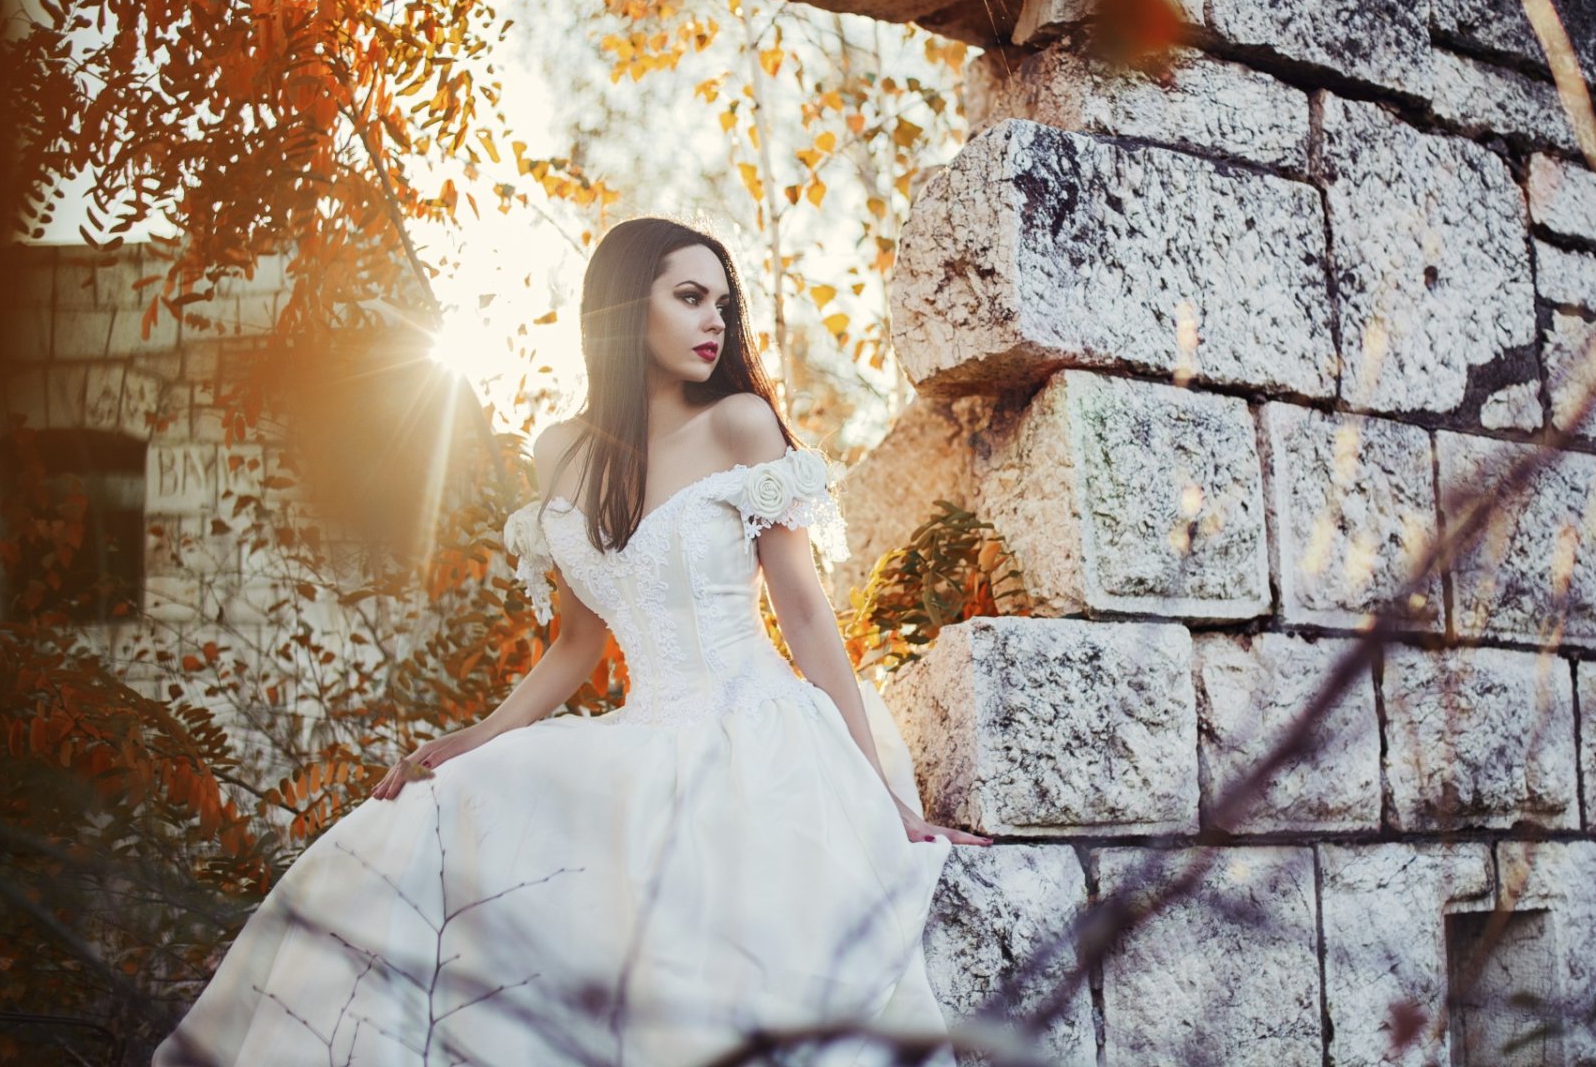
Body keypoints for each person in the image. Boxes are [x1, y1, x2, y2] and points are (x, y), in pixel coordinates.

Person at [155, 216, 989, 1066]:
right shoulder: (561, 453)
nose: (716, 324)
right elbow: (574, 643)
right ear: (628, 307)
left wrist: (882, 796)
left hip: (758, 735)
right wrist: (470, 741)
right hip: (640, 737)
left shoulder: (740, 423)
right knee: (427, 816)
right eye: (690, 298)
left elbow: (806, 615)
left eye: (724, 306)